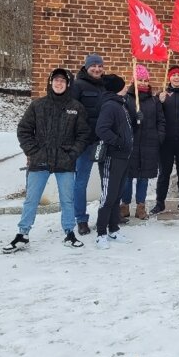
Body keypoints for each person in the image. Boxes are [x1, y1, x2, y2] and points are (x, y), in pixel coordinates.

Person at [3, 68, 89, 253]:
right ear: (51, 83)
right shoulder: (38, 105)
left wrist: (72, 154)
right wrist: (33, 152)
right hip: (39, 162)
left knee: (67, 200)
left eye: (62, 81)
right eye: (56, 80)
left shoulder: (76, 107)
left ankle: (69, 232)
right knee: (31, 199)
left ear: (67, 85)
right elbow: (23, 130)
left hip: (65, 162)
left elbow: (83, 134)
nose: (59, 84)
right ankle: (22, 234)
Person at [119, 64, 165, 222]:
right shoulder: (126, 99)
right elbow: (120, 121)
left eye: (146, 80)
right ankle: (124, 205)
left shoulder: (154, 101)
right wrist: (134, 118)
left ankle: (140, 206)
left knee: (143, 177)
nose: (143, 83)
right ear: (133, 81)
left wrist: (159, 137)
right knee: (127, 176)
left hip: (149, 144)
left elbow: (161, 121)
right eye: (140, 80)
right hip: (130, 144)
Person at [94, 74, 134, 250]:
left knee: (116, 194)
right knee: (108, 195)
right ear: (116, 88)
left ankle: (113, 228)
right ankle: (101, 233)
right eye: (124, 85)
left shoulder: (121, 104)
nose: (126, 88)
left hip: (123, 157)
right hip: (112, 157)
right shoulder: (110, 105)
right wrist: (119, 142)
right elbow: (101, 129)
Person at [70, 53, 105, 235]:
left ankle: (107, 215)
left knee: (107, 181)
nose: (97, 69)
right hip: (85, 144)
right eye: (93, 66)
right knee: (80, 182)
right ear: (86, 67)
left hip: (103, 142)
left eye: (100, 66)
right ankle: (81, 219)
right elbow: (70, 113)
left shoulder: (105, 86)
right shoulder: (77, 86)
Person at [153, 65, 179, 214]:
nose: (176, 77)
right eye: (173, 75)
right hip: (167, 141)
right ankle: (160, 202)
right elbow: (155, 115)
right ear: (169, 77)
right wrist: (158, 101)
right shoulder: (162, 94)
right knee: (164, 172)